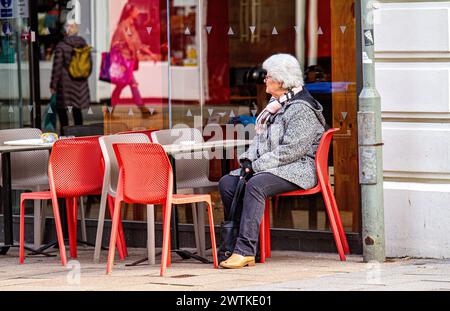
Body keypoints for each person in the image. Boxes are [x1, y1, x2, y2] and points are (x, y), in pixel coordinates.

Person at [218, 54, 327, 269]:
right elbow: (261, 140)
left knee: (255, 185)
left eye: (268, 76)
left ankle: (245, 249)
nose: (264, 80)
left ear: (282, 81)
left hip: (298, 168)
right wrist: (248, 159)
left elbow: (291, 151)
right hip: (276, 166)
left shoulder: (301, 108)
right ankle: (240, 246)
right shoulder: (275, 105)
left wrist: (256, 167)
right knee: (227, 183)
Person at [110, 3, 158, 114]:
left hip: (129, 61)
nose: (138, 12)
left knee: (120, 86)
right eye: (136, 10)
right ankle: (143, 109)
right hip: (123, 62)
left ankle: (110, 109)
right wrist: (120, 62)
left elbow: (138, 44)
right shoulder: (123, 27)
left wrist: (151, 54)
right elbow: (114, 45)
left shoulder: (131, 26)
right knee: (133, 84)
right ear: (130, 12)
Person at [50, 20, 90, 135]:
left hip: (65, 85)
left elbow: (57, 67)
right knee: (77, 112)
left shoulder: (61, 45)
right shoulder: (83, 44)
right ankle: (80, 136)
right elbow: (88, 65)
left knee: (63, 112)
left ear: (65, 31)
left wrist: (53, 85)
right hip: (79, 83)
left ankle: (65, 137)